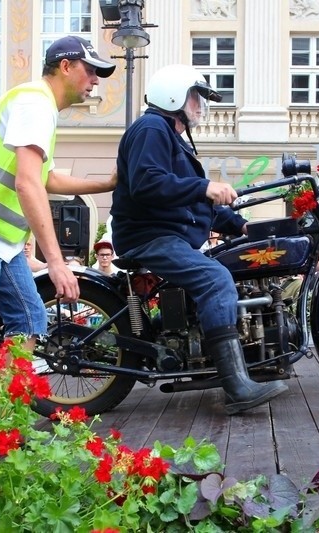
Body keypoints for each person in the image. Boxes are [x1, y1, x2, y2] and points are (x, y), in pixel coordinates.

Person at [111, 63, 287, 415]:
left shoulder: (169, 135)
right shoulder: (152, 128)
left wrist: (241, 226)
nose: (200, 105)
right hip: (149, 236)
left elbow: (192, 203)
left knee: (228, 269)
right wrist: (205, 186)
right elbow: (149, 184)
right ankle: (237, 387)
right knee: (215, 279)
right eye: (195, 96)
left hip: (166, 233)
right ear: (174, 95)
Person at [0, 35, 117, 350]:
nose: (96, 81)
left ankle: (5, 400)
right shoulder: (35, 104)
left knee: (29, 322)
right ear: (66, 66)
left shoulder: (38, 105)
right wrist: (55, 262)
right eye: (91, 70)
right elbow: (28, 183)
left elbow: (48, 180)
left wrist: (106, 185)